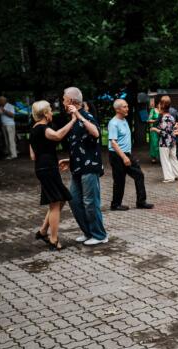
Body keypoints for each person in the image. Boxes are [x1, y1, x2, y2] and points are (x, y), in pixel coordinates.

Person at [59, 86, 108, 246]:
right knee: (73, 200)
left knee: (90, 202)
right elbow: (80, 145)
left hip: (90, 168)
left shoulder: (86, 116)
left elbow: (95, 133)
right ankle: (88, 232)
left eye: (64, 99)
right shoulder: (73, 121)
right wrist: (70, 159)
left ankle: (100, 235)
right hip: (77, 167)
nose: (62, 102)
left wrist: (79, 115)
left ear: (72, 101)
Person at [29, 100, 77, 251]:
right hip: (48, 168)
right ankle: (53, 239)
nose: (51, 113)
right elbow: (57, 136)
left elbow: (33, 156)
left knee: (60, 198)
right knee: (55, 202)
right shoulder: (43, 128)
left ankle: (43, 231)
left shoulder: (33, 129)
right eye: (50, 111)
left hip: (43, 168)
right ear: (45, 114)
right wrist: (74, 120)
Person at [108, 99, 154, 211]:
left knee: (139, 175)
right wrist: (124, 157)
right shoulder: (113, 123)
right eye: (124, 107)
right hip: (117, 155)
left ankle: (141, 202)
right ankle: (115, 204)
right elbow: (113, 143)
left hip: (127, 154)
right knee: (119, 180)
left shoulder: (124, 120)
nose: (127, 108)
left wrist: (127, 155)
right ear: (117, 109)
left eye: (127, 106)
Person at [152, 96, 178, 182]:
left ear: (162, 105)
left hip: (164, 142)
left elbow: (164, 132)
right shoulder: (171, 117)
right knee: (173, 158)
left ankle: (169, 177)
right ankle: (176, 175)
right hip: (173, 141)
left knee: (165, 159)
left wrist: (155, 129)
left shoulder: (163, 118)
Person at [147, 97, 160, 163]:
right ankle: (153, 157)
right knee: (154, 143)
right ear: (157, 104)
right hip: (154, 129)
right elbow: (149, 120)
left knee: (161, 143)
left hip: (161, 129)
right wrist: (156, 120)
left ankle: (161, 157)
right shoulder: (153, 110)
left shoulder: (163, 111)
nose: (161, 105)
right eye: (160, 104)